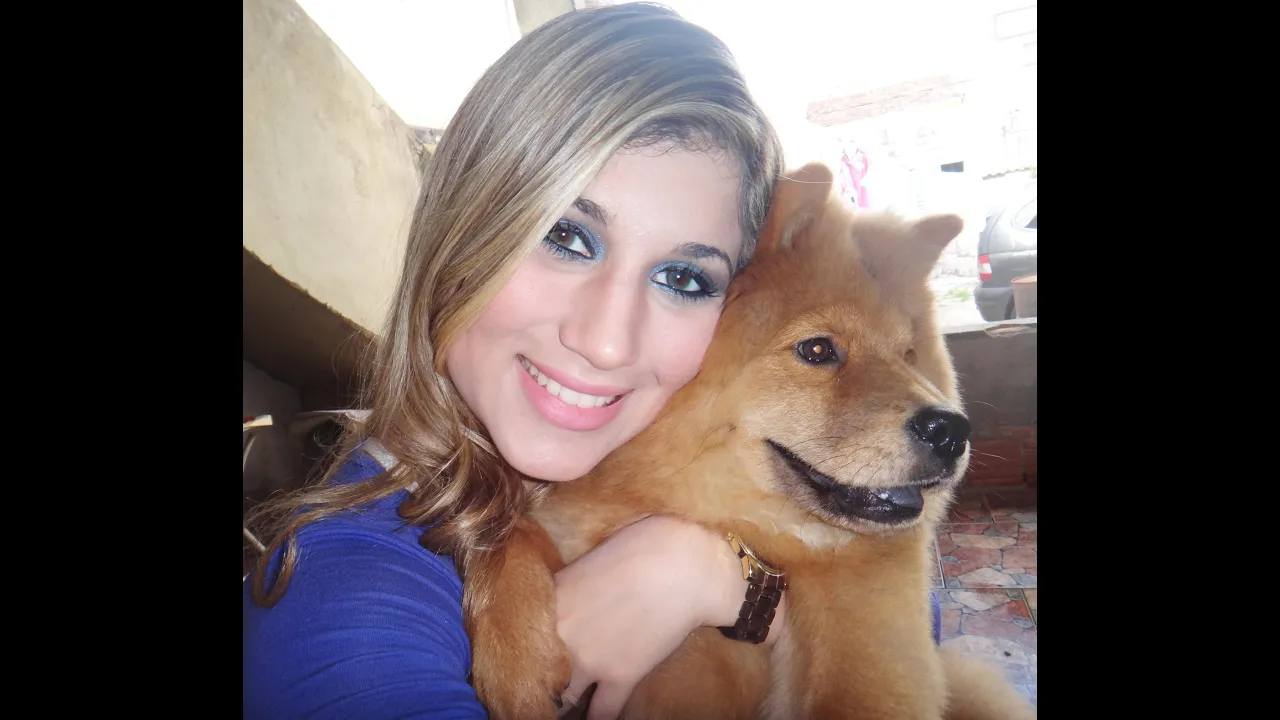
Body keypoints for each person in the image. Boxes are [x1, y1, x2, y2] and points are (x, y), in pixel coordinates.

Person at [244, 4, 786, 719]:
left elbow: (912, 612)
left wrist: (722, 580)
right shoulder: (341, 602)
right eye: (566, 236)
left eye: (682, 278)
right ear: (462, 231)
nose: (607, 342)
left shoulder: (684, 462)